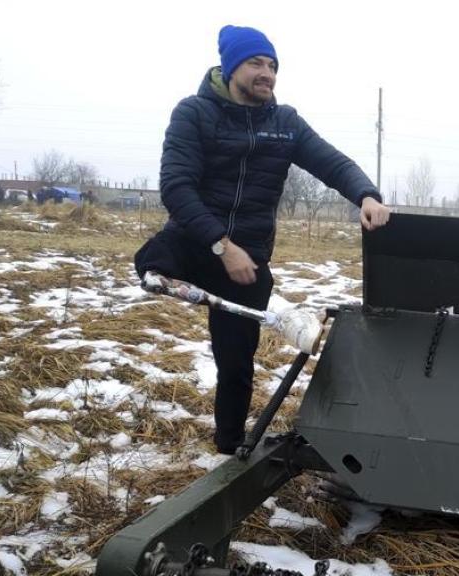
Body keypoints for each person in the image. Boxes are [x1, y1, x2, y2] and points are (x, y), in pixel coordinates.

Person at [134, 25, 390, 454]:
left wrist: (366, 194)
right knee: (152, 258)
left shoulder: (285, 123)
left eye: (272, 66)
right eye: (256, 63)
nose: (266, 73)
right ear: (231, 68)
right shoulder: (194, 113)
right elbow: (176, 187)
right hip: (197, 239)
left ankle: (229, 445)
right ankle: (168, 280)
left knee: (236, 363)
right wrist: (220, 244)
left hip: (247, 260)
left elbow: (333, 162)